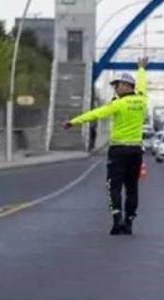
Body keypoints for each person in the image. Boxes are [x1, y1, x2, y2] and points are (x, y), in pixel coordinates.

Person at [64, 57, 149, 236]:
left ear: (126, 86)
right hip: (136, 151)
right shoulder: (142, 100)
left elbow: (96, 114)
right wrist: (141, 68)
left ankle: (117, 218)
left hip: (118, 150)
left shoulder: (117, 104)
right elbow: (142, 85)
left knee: (114, 186)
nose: (115, 88)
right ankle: (129, 221)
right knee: (132, 187)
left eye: (117, 85)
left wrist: (73, 122)